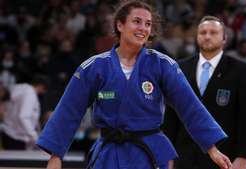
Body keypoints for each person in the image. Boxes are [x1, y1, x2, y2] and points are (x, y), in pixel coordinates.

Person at [36, 1, 232, 169]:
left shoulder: (163, 65)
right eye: (137, 22)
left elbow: (190, 106)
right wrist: (55, 156)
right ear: (120, 25)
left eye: (148, 24)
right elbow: (69, 111)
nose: (143, 28)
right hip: (109, 155)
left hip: (150, 153)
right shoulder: (94, 67)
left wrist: (211, 149)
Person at [164, 16, 246, 169]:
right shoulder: (180, 67)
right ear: (197, 37)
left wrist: (244, 157)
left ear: (224, 38)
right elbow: (170, 116)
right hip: (184, 156)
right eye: (203, 32)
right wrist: (167, 155)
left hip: (225, 157)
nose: (207, 36)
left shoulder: (241, 70)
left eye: (213, 32)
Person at [1, 75, 48, 150]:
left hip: (7, 132)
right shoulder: (30, 94)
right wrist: (35, 137)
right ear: (41, 86)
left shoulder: (18, 87)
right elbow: (23, 117)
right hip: (17, 137)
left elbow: (5, 104)